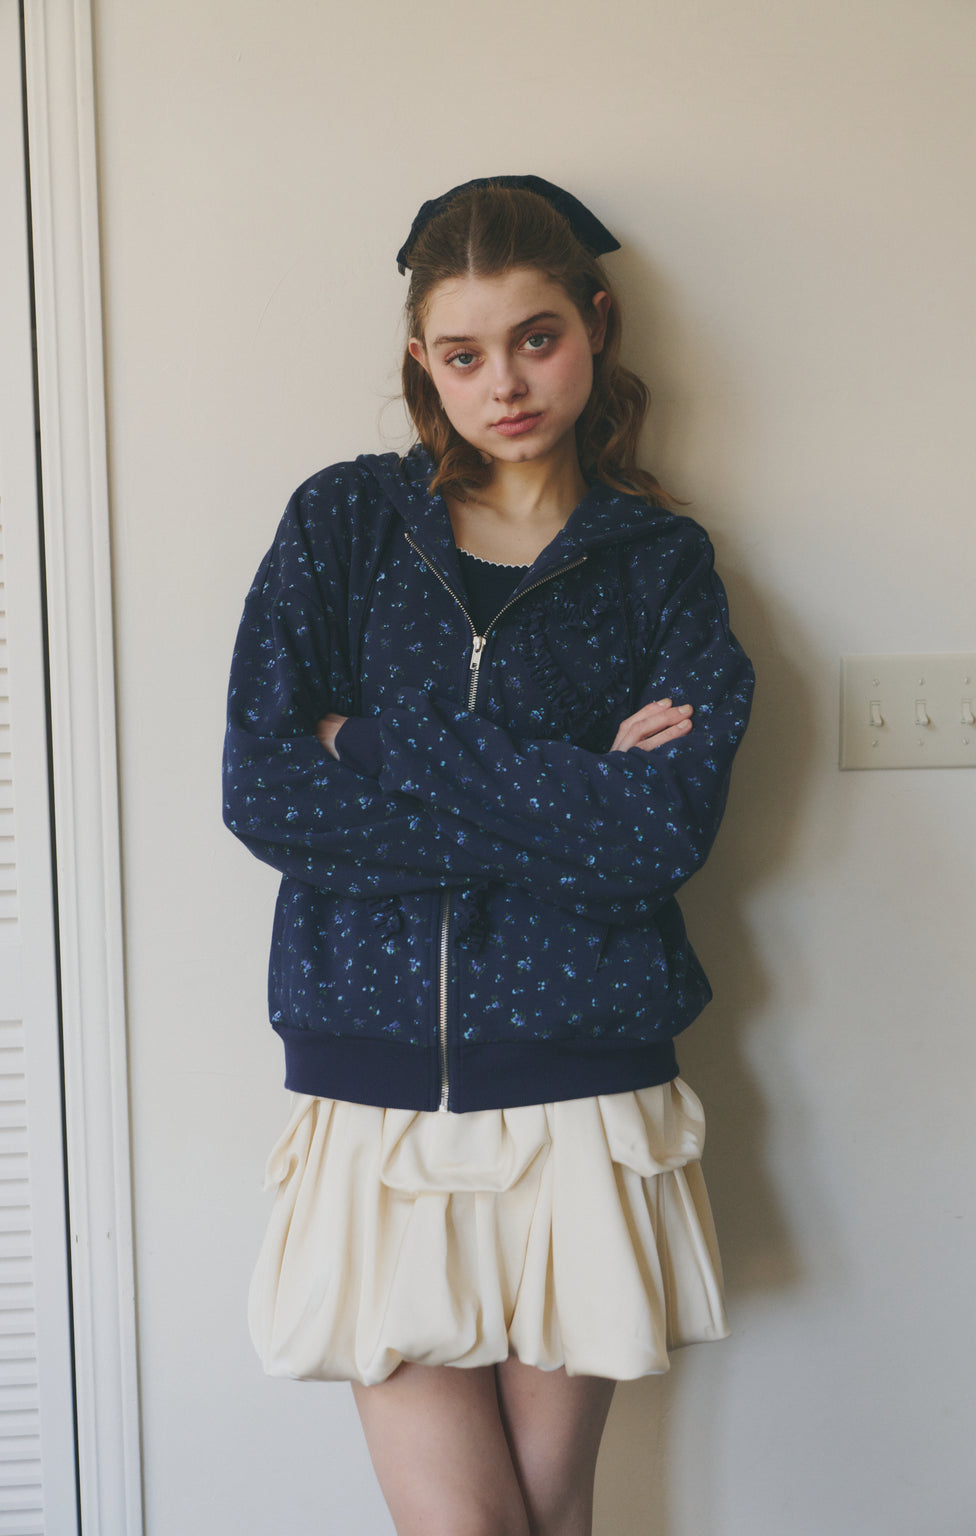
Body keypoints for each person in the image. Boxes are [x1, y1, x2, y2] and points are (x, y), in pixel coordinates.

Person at [223, 175, 754, 1536]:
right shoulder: (343, 525)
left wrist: (373, 742)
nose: (504, 383)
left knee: (552, 1512)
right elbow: (268, 790)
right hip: (374, 1093)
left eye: (536, 338)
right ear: (423, 362)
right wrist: (573, 791)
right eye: (462, 355)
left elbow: (657, 836)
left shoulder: (660, 563)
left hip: (585, 1089)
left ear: (596, 324)